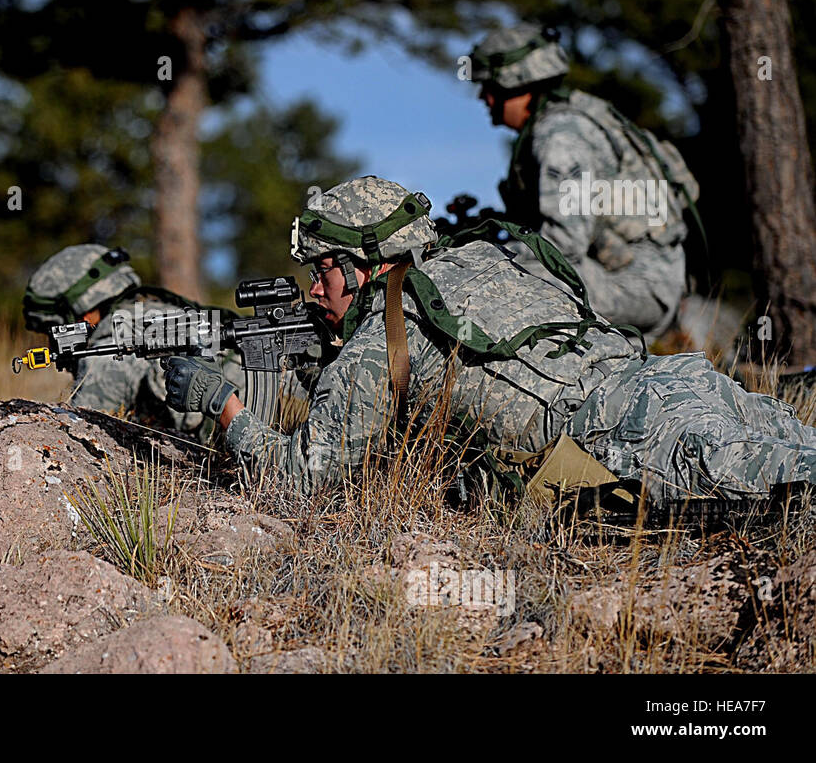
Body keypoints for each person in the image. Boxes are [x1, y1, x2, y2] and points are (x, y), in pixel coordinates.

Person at [161, 176, 816, 513]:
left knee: (794, 491)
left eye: (324, 269)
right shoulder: (477, 260)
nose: (314, 288)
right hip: (678, 381)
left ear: (364, 263)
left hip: (633, 428)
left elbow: (305, 481)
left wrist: (227, 409)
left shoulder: (385, 333)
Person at [469, 23, 702, 340]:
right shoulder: (575, 115)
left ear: (515, 81)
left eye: (490, 88)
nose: (485, 99)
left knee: (496, 276)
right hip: (635, 275)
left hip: (639, 281)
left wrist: (480, 256)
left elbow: (564, 244)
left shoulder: (561, 135)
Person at [23, 243, 245, 443]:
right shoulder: (160, 312)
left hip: (257, 436)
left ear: (83, 316)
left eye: (54, 330)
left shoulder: (105, 359)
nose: (52, 343)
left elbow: (70, 438)